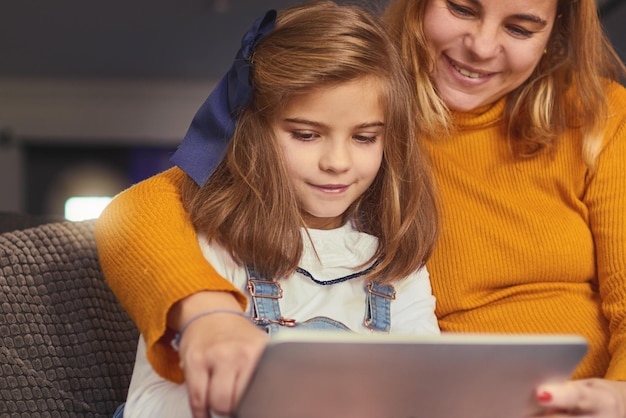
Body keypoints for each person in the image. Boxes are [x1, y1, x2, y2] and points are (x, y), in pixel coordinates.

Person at [95, 0, 626, 416]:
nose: (482, 46)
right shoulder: (361, 92)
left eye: (521, 27)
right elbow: (151, 207)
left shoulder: (603, 115)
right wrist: (208, 313)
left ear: (556, 31)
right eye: (461, 8)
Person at [112, 2, 442, 417]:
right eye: (306, 135)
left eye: (363, 138)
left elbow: (427, 392)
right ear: (255, 132)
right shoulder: (209, 245)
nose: (337, 162)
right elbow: (149, 407)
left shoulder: (397, 263)